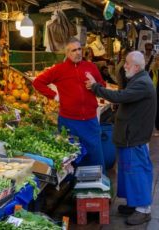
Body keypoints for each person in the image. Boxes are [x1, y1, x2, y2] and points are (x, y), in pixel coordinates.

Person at [85, 51, 156, 226]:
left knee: (137, 172)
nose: (124, 67)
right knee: (129, 171)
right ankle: (134, 204)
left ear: (137, 67)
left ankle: (143, 210)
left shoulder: (142, 84)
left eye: (127, 64)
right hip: (129, 136)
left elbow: (120, 96)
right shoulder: (138, 79)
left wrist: (96, 88)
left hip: (135, 137)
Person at [33, 37, 106, 171]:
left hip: (90, 121)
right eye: (73, 50)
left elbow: (103, 86)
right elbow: (37, 82)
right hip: (69, 123)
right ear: (66, 53)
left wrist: (95, 84)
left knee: (96, 157)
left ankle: (97, 188)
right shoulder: (59, 69)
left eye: (79, 49)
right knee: (72, 159)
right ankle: (73, 188)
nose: (78, 53)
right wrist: (54, 96)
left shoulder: (91, 67)